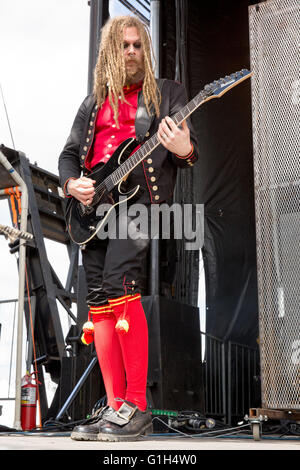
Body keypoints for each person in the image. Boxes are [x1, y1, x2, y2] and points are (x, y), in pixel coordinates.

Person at [58, 15, 199, 442]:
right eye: (125, 46)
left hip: (138, 205)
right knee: (98, 300)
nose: (133, 52)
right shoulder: (92, 104)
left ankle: (136, 406)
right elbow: (67, 155)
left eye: (139, 45)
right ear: (111, 52)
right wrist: (71, 183)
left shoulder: (167, 95)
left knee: (121, 286)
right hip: (92, 211)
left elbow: (188, 152)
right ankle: (115, 408)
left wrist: (183, 147)